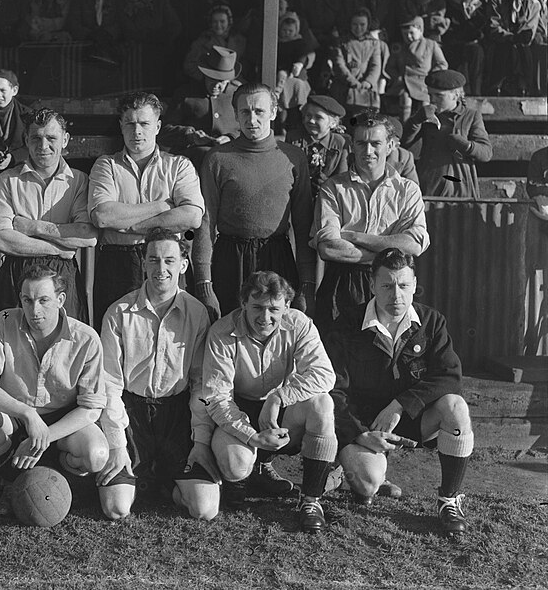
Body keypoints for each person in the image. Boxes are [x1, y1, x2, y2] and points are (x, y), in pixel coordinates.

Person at [325, 248, 475, 536]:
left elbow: (449, 377)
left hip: (411, 419)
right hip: (367, 426)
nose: (396, 295)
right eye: (387, 285)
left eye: (404, 285)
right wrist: (358, 432)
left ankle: (449, 500)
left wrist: (400, 405)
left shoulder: (431, 322)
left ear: (415, 285)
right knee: (368, 484)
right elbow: (334, 390)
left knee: (455, 407)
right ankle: (347, 473)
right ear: (372, 285)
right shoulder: (347, 324)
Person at [96, 228, 221, 521]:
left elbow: (200, 383)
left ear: (183, 265)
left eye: (169, 260)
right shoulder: (118, 312)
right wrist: (116, 445)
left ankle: (164, 478)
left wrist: (201, 442)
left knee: (204, 509)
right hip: (132, 412)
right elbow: (110, 384)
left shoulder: (197, 312)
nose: (161, 269)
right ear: (143, 263)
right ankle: (142, 473)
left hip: (175, 414)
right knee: (117, 508)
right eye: (153, 260)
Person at [202, 271, 337, 533]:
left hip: (279, 409)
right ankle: (245, 476)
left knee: (322, 405)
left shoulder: (299, 323)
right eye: (257, 307)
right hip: (238, 408)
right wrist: (252, 437)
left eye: (274, 309)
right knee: (235, 463)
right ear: (243, 304)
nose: (265, 317)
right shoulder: (222, 332)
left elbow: (324, 374)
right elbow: (216, 397)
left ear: (287, 306)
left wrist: (279, 396)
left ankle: (311, 500)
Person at [0, 264, 108, 515]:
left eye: (44, 300)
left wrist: (45, 436)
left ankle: (54, 483)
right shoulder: (3, 322)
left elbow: (91, 407)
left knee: (95, 455)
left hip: (60, 421)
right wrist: (28, 414)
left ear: (60, 299)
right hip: (14, 414)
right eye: (27, 300)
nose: (34, 310)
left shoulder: (86, 338)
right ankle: (11, 483)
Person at [192, 83, 315, 321]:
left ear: (273, 112)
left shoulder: (293, 158)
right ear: (236, 115)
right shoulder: (217, 159)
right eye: (245, 112)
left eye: (259, 111)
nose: (252, 119)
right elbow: (205, 223)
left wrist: (307, 284)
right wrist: (204, 285)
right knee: (230, 335)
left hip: (277, 257)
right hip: (230, 260)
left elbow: (303, 225)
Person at [88, 92, 204, 328]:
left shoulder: (179, 166)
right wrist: (162, 207)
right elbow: (103, 216)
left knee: (171, 335)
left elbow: (192, 216)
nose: (137, 131)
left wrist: (132, 225)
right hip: (117, 263)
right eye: (130, 123)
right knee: (116, 336)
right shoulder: (106, 165)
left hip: (166, 259)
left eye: (144, 123)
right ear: (121, 126)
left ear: (158, 126)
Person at [311, 110, 429, 330]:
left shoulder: (407, 190)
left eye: (376, 143)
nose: (368, 151)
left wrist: (355, 236)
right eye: (361, 143)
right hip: (342, 284)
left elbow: (413, 244)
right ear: (351, 146)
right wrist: (386, 252)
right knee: (338, 356)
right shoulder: (333, 188)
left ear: (391, 146)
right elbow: (329, 248)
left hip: (390, 284)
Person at [0, 108, 96, 323]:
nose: (43, 146)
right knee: (9, 341)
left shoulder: (79, 181)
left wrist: (32, 227)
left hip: (62, 274)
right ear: (26, 140)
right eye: (36, 138)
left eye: (51, 138)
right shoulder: (8, 180)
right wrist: (58, 248)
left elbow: (87, 235)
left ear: (65, 140)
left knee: (66, 342)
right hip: (16, 272)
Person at [402, 70, 492, 198]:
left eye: (439, 96)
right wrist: (416, 121)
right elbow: (404, 144)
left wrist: (466, 145)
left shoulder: (470, 116)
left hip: (460, 186)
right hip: (430, 183)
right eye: (430, 95)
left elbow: (486, 153)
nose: (433, 100)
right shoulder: (425, 116)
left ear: (455, 96)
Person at [161, 46, 241, 168]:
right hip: (193, 162)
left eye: (221, 82)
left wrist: (230, 138)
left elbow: (249, 128)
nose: (216, 86)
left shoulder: (237, 96)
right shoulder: (185, 94)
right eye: (212, 79)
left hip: (231, 159)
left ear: (229, 80)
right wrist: (190, 136)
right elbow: (164, 132)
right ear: (204, 74)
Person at [284, 95, 349, 198]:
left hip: (329, 197)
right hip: (298, 196)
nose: (311, 121)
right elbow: (287, 173)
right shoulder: (294, 138)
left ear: (333, 123)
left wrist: (328, 184)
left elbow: (342, 179)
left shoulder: (340, 143)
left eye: (318, 117)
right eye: (308, 115)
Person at [385, 16, 448, 121]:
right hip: (404, 83)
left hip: (424, 82)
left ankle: (425, 129)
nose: (408, 37)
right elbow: (389, 67)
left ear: (420, 30)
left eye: (411, 33)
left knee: (425, 105)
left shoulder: (431, 44)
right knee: (405, 99)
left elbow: (442, 63)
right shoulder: (399, 47)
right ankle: (405, 129)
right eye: (405, 34)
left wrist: (432, 77)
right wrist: (397, 77)